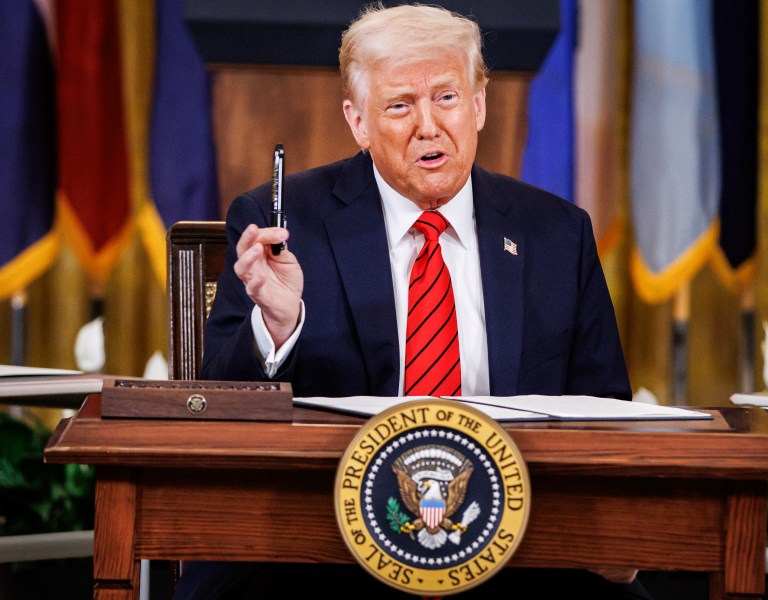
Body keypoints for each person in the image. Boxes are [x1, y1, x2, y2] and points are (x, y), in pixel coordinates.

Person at [175, 3, 652, 599]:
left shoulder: (556, 233)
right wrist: (280, 325)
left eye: (447, 98)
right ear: (358, 121)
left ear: (479, 105)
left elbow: (605, 410)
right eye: (400, 105)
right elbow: (214, 409)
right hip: (326, 550)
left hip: (518, 547)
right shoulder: (285, 224)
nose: (428, 125)